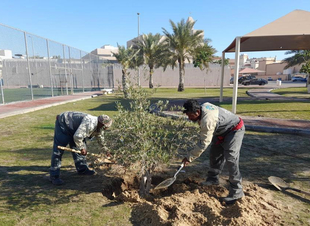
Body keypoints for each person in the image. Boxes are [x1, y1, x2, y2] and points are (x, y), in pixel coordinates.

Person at [182, 99, 245, 205]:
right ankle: (213, 179)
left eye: (190, 115)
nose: (189, 118)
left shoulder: (208, 120)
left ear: (197, 112)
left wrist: (189, 157)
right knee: (215, 154)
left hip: (234, 130)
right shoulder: (203, 106)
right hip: (221, 131)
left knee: (231, 159)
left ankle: (237, 192)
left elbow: (203, 143)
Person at [49, 111, 112, 185]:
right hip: (64, 124)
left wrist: (106, 150)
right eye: (106, 126)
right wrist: (82, 148)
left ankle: (82, 169)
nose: (106, 128)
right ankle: (54, 176)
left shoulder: (99, 127)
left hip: (76, 129)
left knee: (78, 147)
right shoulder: (89, 123)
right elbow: (77, 136)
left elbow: (100, 138)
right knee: (58, 151)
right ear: (102, 124)